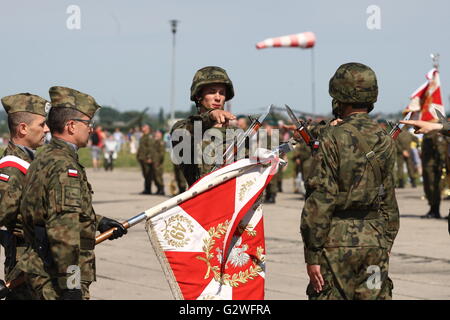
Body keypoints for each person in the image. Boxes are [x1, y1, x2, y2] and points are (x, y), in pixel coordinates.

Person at [13, 86, 127, 300]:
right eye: (88, 123)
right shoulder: (65, 167)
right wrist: (71, 285)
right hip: (56, 276)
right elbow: (63, 231)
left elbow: (51, 210)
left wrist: (98, 221)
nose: (91, 129)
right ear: (71, 126)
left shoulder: (46, 156)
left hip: (43, 268)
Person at [300, 63, 399, 300]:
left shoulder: (332, 137)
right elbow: (388, 199)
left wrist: (312, 253)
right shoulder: (385, 139)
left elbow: (321, 198)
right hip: (374, 239)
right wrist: (384, 242)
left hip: (336, 241)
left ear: (339, 95)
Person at [0, 93, 50, 299]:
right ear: (23, 128)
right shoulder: (12, 169)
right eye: (42, 124)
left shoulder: (32, 162)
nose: (47, 129)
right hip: (25, 267)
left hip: (39, 262)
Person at [170, 66, 236, 187]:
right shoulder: (183, 128)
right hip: (201, 200)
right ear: (198, 96)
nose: (218, 97)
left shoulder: (235, 133)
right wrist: (211, 116)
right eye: (212, 92)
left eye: (222, 93)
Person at [136, 124, 155, 194]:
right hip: (142, 158)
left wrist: (149, 157)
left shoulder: (149, 137)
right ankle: (146, 189)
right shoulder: (143, 136)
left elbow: (150, 148)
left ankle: (148, 189)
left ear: (148, 129)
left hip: (146, 158)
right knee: (145, 174)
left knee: (148, 175)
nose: (142, 128)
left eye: (144, 127)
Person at [152, 130, 165, 195]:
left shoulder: (160, 142)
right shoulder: (155, 142)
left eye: (157, 133)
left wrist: (158, 161)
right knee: (155, 176)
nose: (156, 134)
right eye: (156, 133)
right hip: (154, 162)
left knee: (158, 176)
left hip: (158, 163)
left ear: (160, 135)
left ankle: (162, 190)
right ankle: (158, 189)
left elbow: (161, 154)